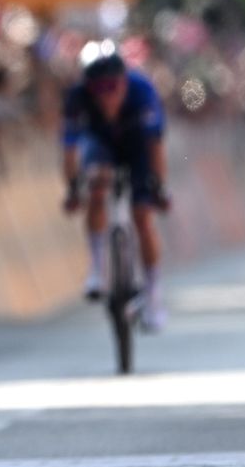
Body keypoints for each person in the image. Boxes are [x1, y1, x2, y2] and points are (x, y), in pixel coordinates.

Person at [62, 44, 171, 331]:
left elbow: (155, 146)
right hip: (102, 144)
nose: (107, 95)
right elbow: (69, 151)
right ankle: (97, 269)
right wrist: (73, 190)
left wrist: (158, 188)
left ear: (125, 82)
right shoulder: (78, 97)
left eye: (113, 87)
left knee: (143, 217)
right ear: (89, 88)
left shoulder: (142, 92)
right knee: (97, 185)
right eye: (99, 88)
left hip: (137, 144)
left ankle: (152, 294)